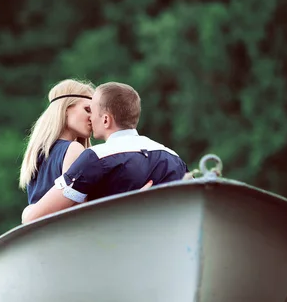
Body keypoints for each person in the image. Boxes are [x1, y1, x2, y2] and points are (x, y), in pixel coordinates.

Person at [22, 81, 188, 224]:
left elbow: (39, 216)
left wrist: (28, 211)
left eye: (92, 111)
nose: (92, 118)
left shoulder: (90, 157)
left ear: (106, 119)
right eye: (88, 110)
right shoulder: (173, 157)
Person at [19, 78, 96, 205]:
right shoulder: (73, 149)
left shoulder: (35, 155)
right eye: (87, 110)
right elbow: (78, 208)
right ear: (65, 108)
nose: (92, 118)